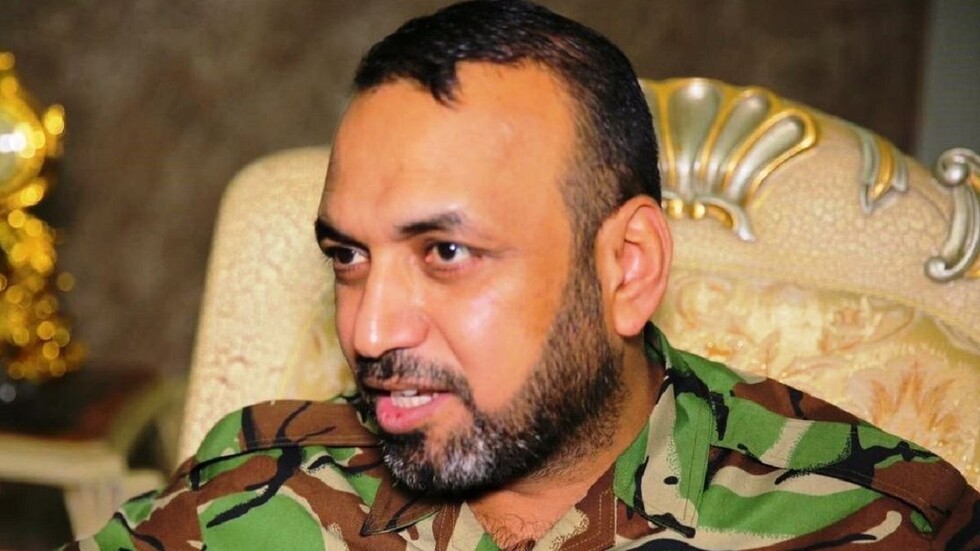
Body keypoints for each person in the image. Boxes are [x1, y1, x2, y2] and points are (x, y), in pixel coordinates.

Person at [67, 1, 978, 549]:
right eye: (348, 256)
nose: (369, 330)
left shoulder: (874, 522)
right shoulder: (254, 480)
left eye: (445, 252)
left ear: (627, 266)